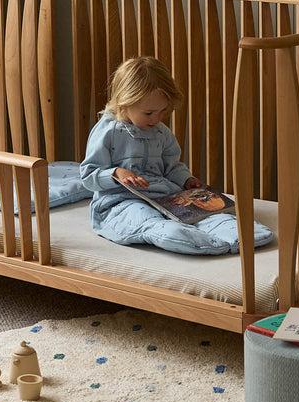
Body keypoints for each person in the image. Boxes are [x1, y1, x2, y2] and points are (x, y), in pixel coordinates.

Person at [79, 56, 274, 255]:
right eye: (149, 113)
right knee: (143, 218)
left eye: (163, 111)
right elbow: (88, 175)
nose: (157, 119)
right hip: (120, 200)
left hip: (166, 197)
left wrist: (186, 179)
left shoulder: (162, 133)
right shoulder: (108, 132)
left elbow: (172, 167)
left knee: (202, 212)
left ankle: (232, 231)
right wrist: (116, 173)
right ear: (123, 102)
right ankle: (180, 236)